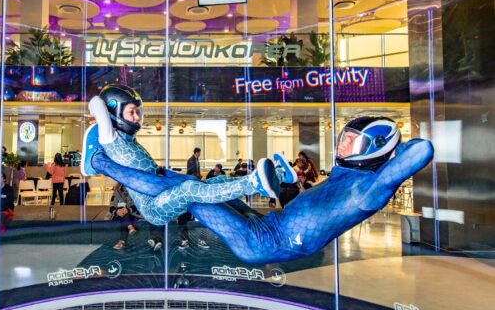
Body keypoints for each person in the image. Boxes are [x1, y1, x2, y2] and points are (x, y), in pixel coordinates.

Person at [83, 92, 433, 264]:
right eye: (341, 138)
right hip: (268, 224)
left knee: (189, 192)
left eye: (350, 142)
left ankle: (102, 164)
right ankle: (250, 181)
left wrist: (392, 143)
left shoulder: (370, 190)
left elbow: (421, 150)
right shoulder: (347, 174)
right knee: (211, 187)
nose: (341, 146)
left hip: (261, 242)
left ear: (373, 147)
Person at [81, 85, 285, 228]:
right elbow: (96, 102)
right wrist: (105, 110)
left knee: (217, 180)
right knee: (189, 190)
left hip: (161, 187)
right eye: (131, 112)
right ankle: (254, 183)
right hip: (154, 207)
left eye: (137, 112)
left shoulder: (128, 140)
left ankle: (278, 175)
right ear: (114, 111)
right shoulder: (111, 139)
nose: (136, 117)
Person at [109, 184, 138, 250]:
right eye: (125, 185)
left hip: (130, 215)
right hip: (117, 215)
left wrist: (128, 210)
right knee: (124, 217)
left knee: (125, 216)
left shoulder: (135, 192)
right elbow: (111, 207)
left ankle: (121, 242)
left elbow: (136, 207)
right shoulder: (116, 192)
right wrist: (117, 211)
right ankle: (130, 227)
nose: (126, 187)